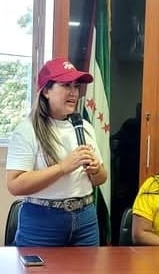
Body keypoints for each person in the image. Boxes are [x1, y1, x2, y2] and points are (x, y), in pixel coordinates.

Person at [6, 57, 107, 246]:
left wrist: (95, 170)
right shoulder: (27, 130)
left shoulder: (84, 126)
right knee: (40, 268)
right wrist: (62, 168)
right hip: (42, 221)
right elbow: (15, 185)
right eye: (66, 85)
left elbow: (101, 179)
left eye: (76, 86)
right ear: (46, 91)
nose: (74, 92)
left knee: (89, 267)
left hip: (85, 218)